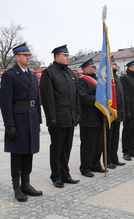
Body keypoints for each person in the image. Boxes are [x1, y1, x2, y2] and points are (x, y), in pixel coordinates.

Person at [0, 43, 42, 202]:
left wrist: (38, 120)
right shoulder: (10, 75)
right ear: (17, 57)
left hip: (30, 118)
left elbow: (36, 100)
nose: (28, 57)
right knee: (17, 154)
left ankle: (26, 184)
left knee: (29, 152)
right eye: (25, 55)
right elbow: (5, 102)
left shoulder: (32, 76)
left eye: (29, 55)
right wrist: (9, 124)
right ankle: (17, 187)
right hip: (17, 119)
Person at [39, 44, 80, 188]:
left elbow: (75, 96)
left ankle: (65, 173)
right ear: (57, 57)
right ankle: (56, 175)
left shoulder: (70, 73)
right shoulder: (49, 73)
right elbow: (47, 97)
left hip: (69, 117)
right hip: (58, 118)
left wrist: (77, 114)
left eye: (68, 56)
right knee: (57, 148)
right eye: (65, 56)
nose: (68, 58)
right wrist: (51, 118)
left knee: (67, 147)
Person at [78, 58, 105, 178]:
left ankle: (95, 164)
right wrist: (99, 100)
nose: (95, 68)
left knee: (98, 143)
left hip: (99, 117)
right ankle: (85, 167)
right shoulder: (82, 81)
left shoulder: (97, 80)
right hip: (88, 118)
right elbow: (83, 98)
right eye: (92, 67)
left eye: (95, 67)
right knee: (88, 144)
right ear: (85, 69)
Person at [106, 56, 126, 168]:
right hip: (110, 114)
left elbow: (121, 97)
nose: (116, 66)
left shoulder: (117, 78)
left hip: (118, 112)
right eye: (113, 64)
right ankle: (107, 160)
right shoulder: (107, 78)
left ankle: (114, 158)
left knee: (115, 138)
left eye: (116, 64)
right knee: (108, 138)